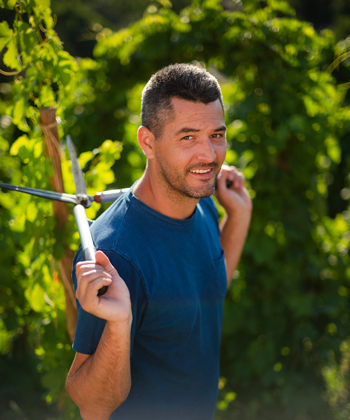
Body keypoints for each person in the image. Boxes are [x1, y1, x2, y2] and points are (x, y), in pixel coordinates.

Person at [66, 63, 252, 420]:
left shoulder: (204, 204)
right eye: (188, 137)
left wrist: (239, 217)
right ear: (147, 142)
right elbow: (91, 405)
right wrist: (119, 324)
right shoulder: (116, 253)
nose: (210, 155)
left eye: (216, 135)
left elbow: (205, 294)